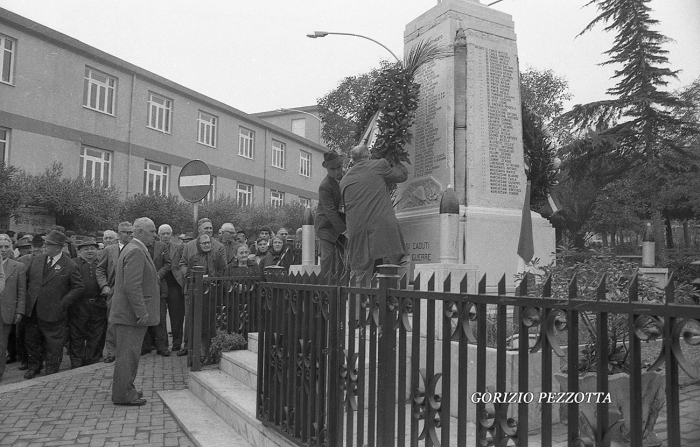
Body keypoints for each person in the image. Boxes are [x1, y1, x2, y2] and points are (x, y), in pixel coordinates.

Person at [110, 217, 160, 406]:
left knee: (128, 356)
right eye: (152, 231)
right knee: (127, 357)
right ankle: (124, 395)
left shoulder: (133, 249)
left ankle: (126, 390)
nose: (154, 235)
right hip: (131, 316)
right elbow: (132, 286)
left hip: (129, 315)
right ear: (139, 232)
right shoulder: (136, 251)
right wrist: (141, 312)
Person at [339, 144, 408, 280]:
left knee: (359, 271)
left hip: (357, 230)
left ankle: (357, 300)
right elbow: (401, 176)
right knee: (399, 261)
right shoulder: (379, 165)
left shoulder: (344, 180)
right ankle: (398, 296)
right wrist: (397, 161)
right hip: (382, 225)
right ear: (368, 155)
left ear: (352, 160)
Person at [24, 230, 85, 378]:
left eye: (48, 244)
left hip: (54, 311)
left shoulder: (69, 265)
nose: (44, 246)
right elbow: (28, 281)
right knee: (32, 339)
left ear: (58, 247)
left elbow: (79, 287)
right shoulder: (37, 260)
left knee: (54, 343)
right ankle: (34, 366)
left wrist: (62, 304)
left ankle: (51, 370)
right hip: (33, 309)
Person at [180, 234, 226, 363]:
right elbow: (188, 275)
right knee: (198, 324)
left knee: (212, 324)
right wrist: (199, 279)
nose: (206, 245)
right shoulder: (193, 258)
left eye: (208, 243)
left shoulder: (217, 256)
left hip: (213, 294)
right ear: (198, 245)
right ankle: (199, 353)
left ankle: (211, 353)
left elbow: (224, 271)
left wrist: (212, 277)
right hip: (198, 296)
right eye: (203, 243)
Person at [96, 221, 133, 363]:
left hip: (132, 291)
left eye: (131, 232)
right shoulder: (109, 250)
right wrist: (104, 286)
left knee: (130, 322)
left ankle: (128, 351)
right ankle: (111, 352)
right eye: (125, 232)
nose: (129, 235)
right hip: (114, 290)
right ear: (119, 234)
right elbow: (100, 269)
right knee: (112, 322)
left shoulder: (137, 248)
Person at [68, 238, 107, 368]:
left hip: (98, 304)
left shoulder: (103, 263)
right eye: (86, 249)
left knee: (97, 333)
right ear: (80, 252)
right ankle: (77, 362)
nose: (90, 251)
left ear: (97, 250)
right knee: (77, 334)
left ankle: (92, 361)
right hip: (79, 305)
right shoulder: (73, 264)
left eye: (92, 248)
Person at [315, 150, 347, 281]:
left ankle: (343, 289)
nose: (336, 171)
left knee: (346, 258)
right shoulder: (325, 186)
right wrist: (345, 231)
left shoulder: (347, 177)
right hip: (326, 226)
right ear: (327, 169)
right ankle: (325, 291)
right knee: (327, 259)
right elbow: (330, 212)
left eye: (339, 167)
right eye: (332, 169)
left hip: (342, 222)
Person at [140, 234, 171, 357]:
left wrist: (157, 275)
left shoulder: (162, 246)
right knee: (144, 316)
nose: (152, 235)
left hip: (159, 286)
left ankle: (162, 347)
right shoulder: (139, 247)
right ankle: (145, 346)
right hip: (143, 287)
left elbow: (168, 264)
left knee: (160, 317)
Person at [157, 224, 185, 352]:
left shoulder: (179, 247)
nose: (166, 236)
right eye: (163, 233)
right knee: (161, 317)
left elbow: (182, 263)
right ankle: (162, 345)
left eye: (168, 233)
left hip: (174, 285)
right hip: (161, 285)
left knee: (176, 316)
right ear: (159, 235)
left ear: (172, 234)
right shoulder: (156, 247)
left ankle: (177, 343)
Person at [0, 234, 21, 382]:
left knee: (1, 345)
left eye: (6, 247)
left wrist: (19, 311)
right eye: (0, 247)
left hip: (6, 311)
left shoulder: (17, 266)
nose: (3, 250)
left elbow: (21, 292)